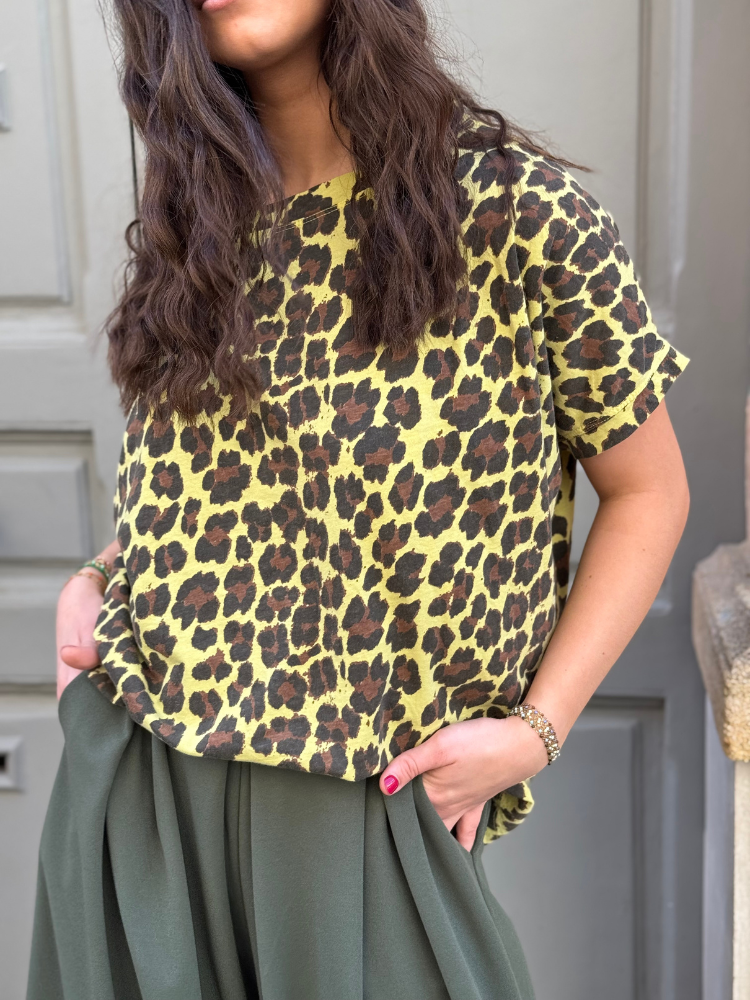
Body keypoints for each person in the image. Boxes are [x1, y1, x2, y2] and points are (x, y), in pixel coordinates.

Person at [27, 1, 690, 998]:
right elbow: (221, 494)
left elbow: (649, 490)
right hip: (144, 794)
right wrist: (96, 579)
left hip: (365, 806)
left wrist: (536, 730)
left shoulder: (513, 212)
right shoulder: (199, 231)